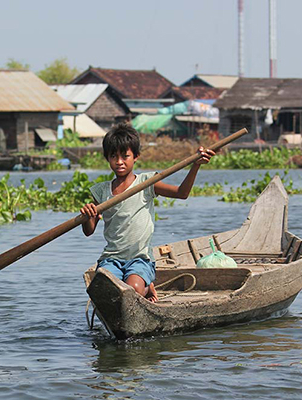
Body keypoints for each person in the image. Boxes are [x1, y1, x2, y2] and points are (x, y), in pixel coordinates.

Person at [80, 123, 215, 303]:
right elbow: (88, 231)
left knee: (133, 289)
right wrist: (86, 215)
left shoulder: (147, 183)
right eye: (114, 157)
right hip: (111, 259)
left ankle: (145, 284)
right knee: (106, 289)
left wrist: (195, 166)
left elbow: (182, 193)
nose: (119, 162)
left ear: (136, 157)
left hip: (139, 259)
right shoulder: (102, 191)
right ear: (107, 158)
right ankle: (146, 284)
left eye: (125, 156)